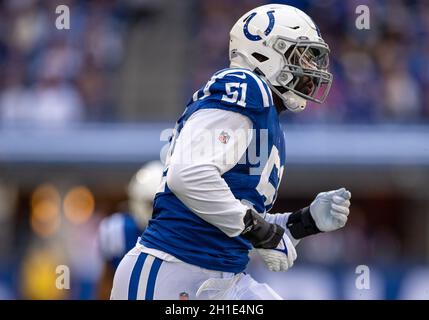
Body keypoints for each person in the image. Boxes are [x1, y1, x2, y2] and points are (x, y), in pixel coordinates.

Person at [110, 4, 351, 300]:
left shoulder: (265, 116)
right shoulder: (246, 87)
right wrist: (261, 231)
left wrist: (304, 221)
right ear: (264, 52)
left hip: (221, 280)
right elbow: (188, 176)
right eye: (301, 56)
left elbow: (238, 215)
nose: (312, 69)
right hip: (172, 271)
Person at [97, 161, 163, 297]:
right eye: (153, 204)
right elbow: (106, 282)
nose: (158, 210)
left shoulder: (181, 232)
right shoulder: (117, 230)